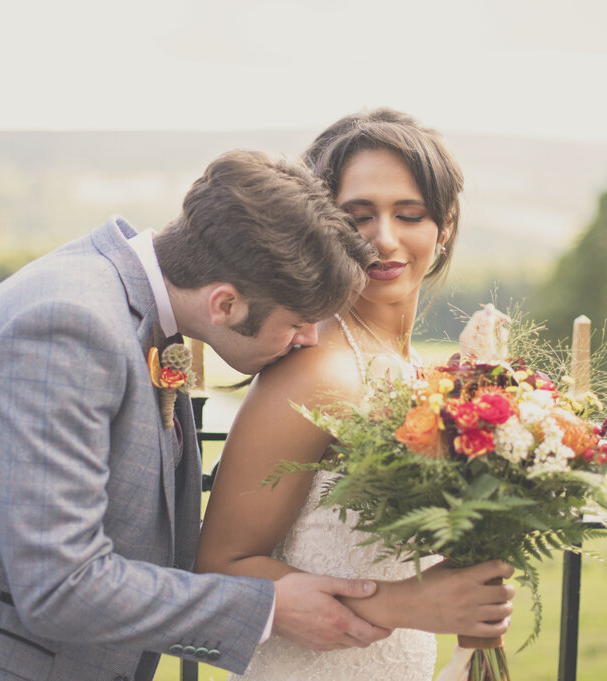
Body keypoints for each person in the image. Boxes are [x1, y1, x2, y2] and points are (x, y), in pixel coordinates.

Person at [0, 150, 396, 681]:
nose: (306, 342)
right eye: (300, 321)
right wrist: (268, 605)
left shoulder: (120, 301)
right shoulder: (67, 326)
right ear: (225, 303)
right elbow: (61, 586)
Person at [195, 110, 516, 681]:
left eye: (409, 215)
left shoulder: (426, 377)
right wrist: (398, 603)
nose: (384, 239)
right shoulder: (316, 371)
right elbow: (221, 568)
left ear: (443, 228)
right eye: (358, 216)